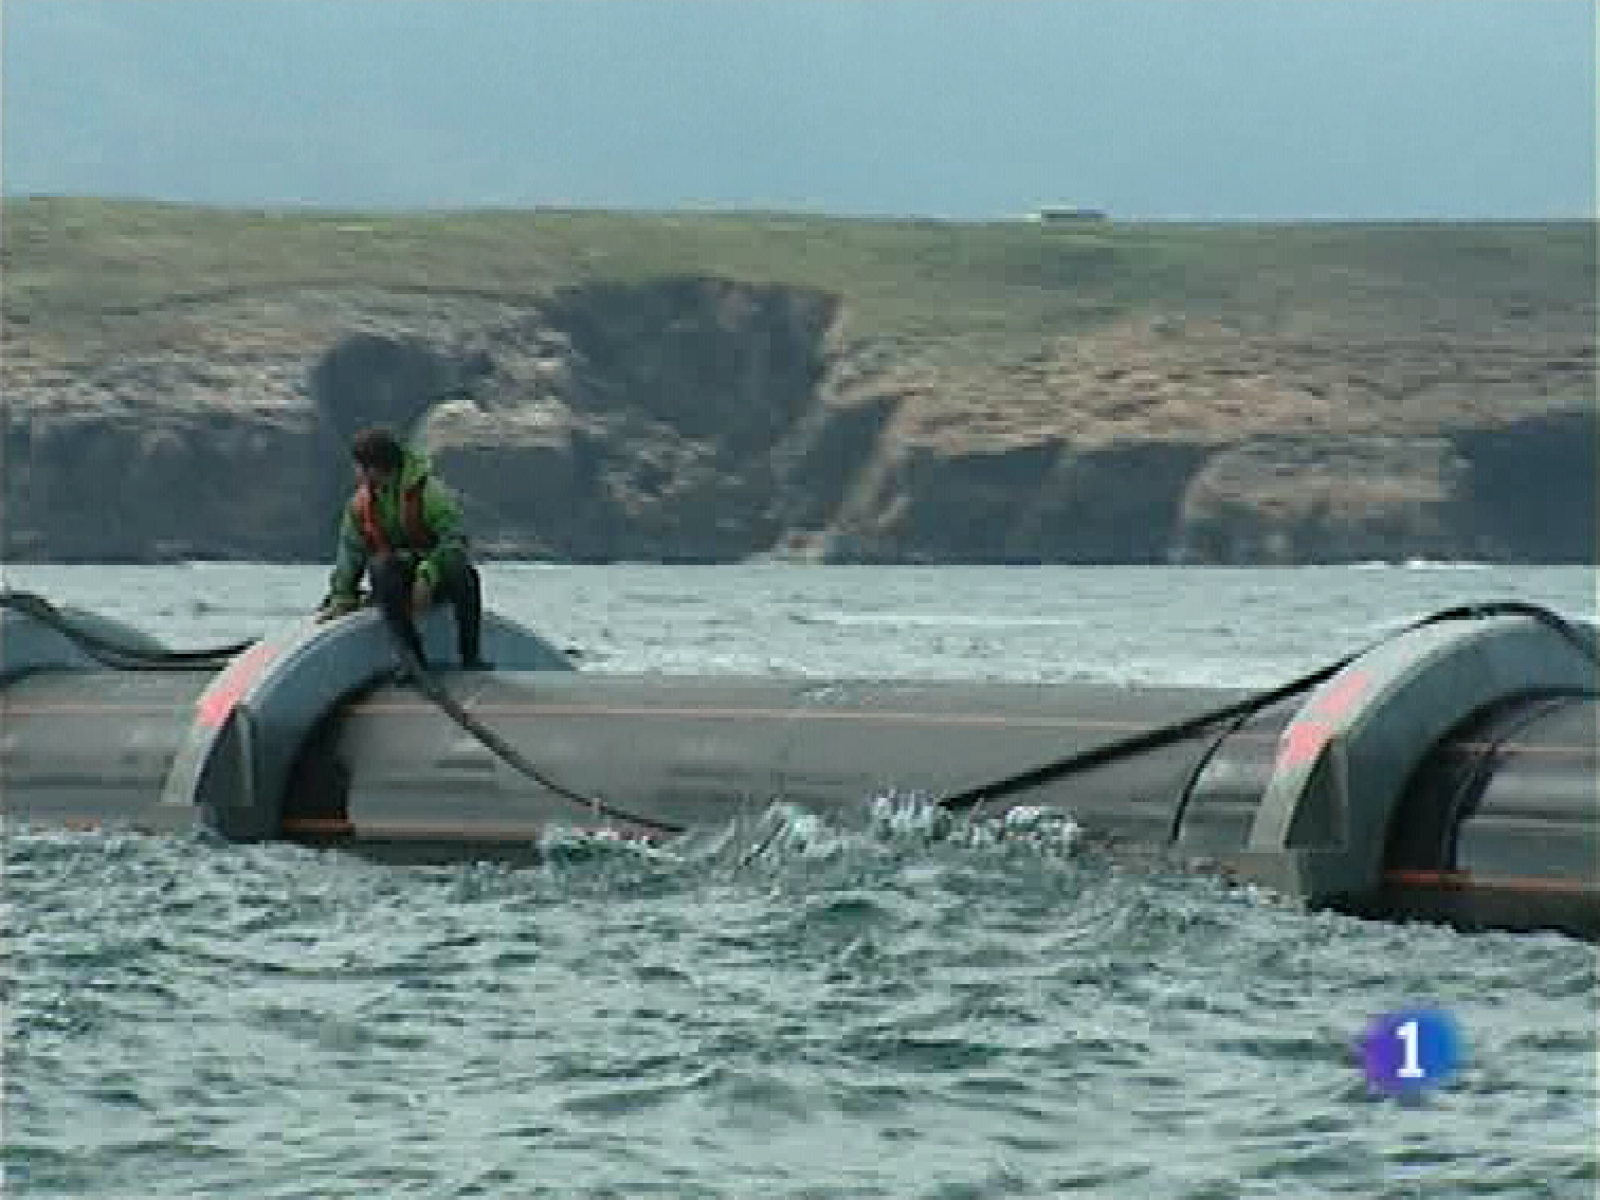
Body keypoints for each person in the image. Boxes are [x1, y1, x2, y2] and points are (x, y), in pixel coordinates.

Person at [316, 426, 489, 670]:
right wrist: (342, 597)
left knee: (466, 575)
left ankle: (471, 659)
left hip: (437, 577)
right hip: (397, 582)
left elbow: (456, 541)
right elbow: (350, 554)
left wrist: (428, 575)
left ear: (373, 468)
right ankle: (412, 659)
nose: (356, 473)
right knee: (380, 567)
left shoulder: (430, 494)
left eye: (359, 467)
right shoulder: (359, 506)